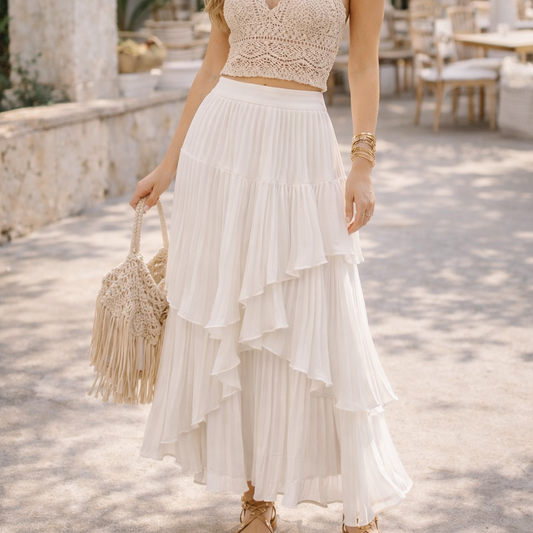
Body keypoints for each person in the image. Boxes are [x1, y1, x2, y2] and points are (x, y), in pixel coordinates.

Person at [129, 0, 412, 532]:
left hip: (300, 146)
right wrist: (168, 165)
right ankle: (255, 498)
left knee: (317, 312)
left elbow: (363, 63)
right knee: (237, 320)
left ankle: (357, 501)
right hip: (222, 148)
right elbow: (213, 67)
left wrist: (363, 163)